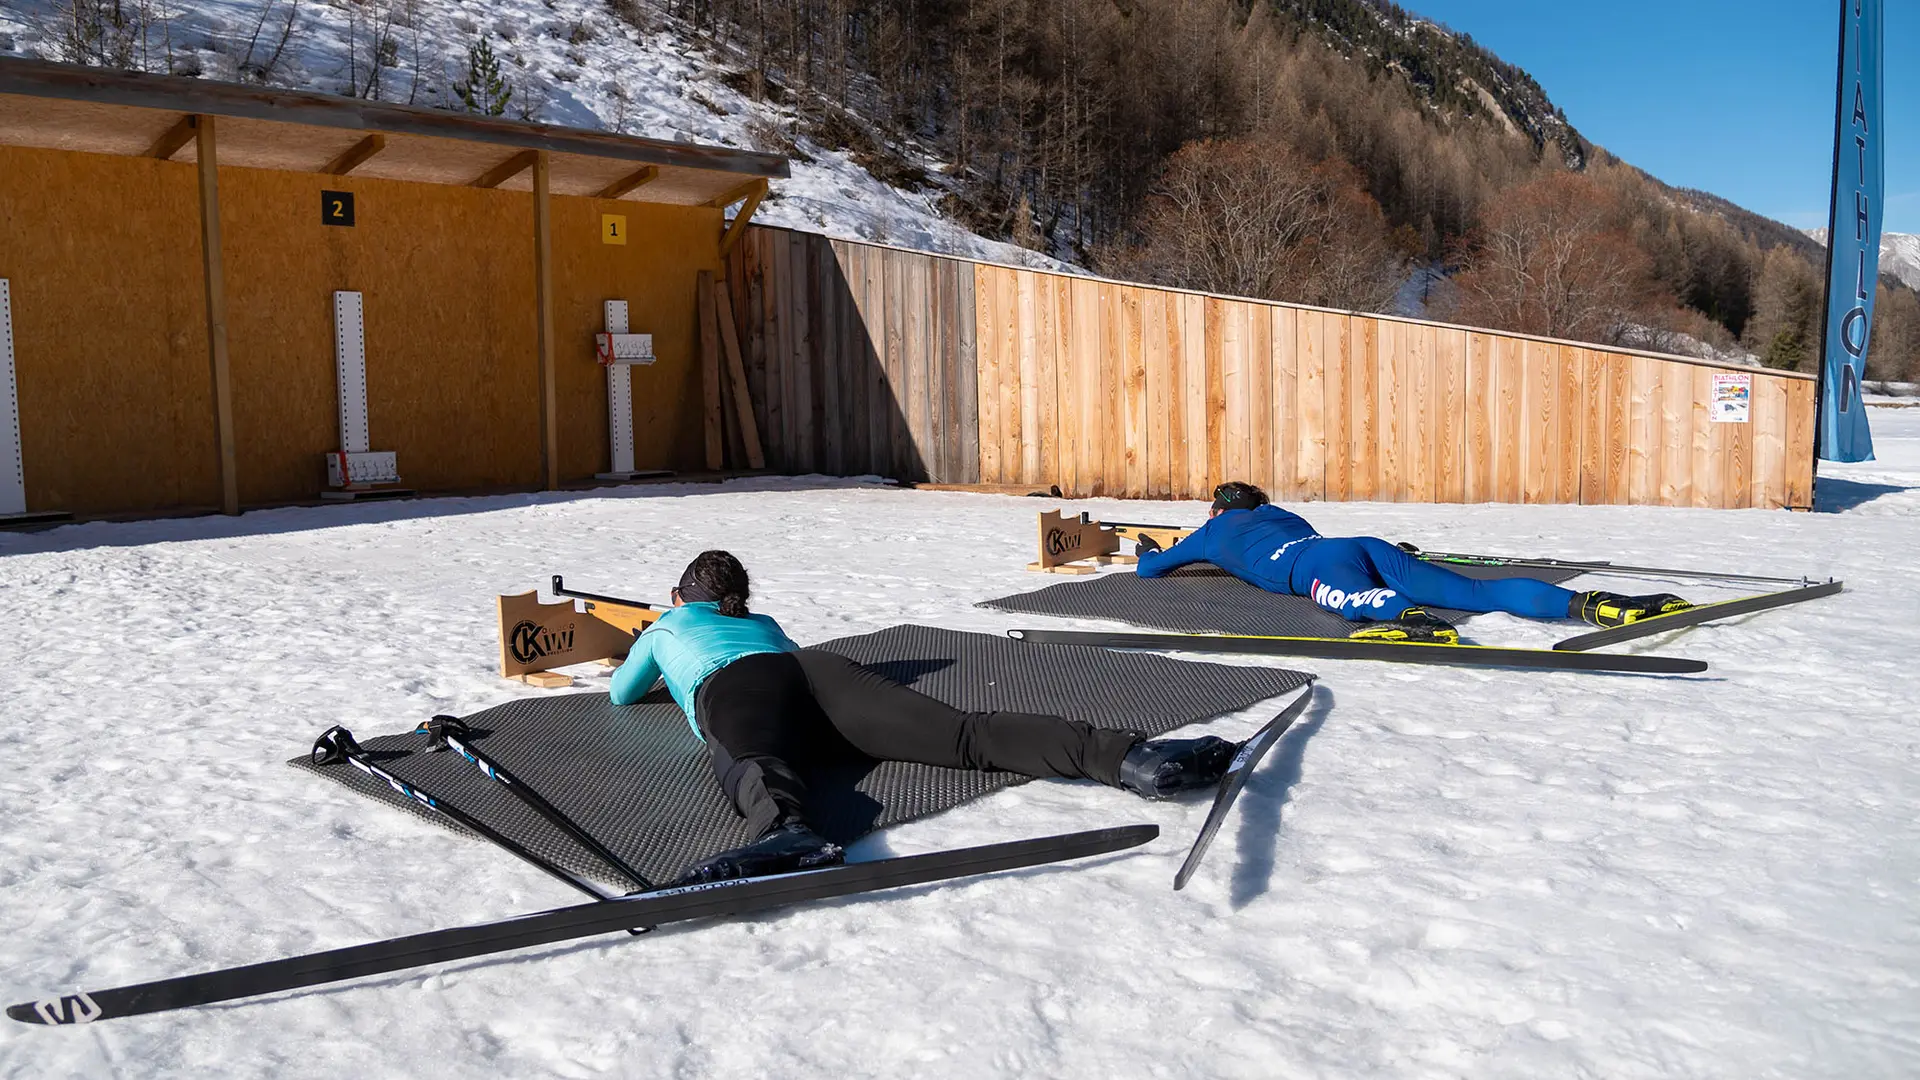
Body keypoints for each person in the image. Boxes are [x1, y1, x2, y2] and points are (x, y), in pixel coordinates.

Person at [611, 550, 1241, 884]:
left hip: (737, 686)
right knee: (967, 734)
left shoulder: (668, 625)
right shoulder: (762, 622)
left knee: (752, 760)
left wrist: (656, 645)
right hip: (819, 673)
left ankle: (788, 832)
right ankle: (1132, 756)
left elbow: (621, 692)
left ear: (679, 598)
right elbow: (779, 664)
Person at [1133, 481, 1691, 644]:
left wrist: (1147, 552)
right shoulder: (1280, 514)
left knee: (1354, 600)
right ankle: (1592, 604)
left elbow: (1152, 571)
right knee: (1476, 591)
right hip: (1358, 544)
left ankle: (1407, 620)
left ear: (1216, 510)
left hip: (1309, 568)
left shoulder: (1208, 534)